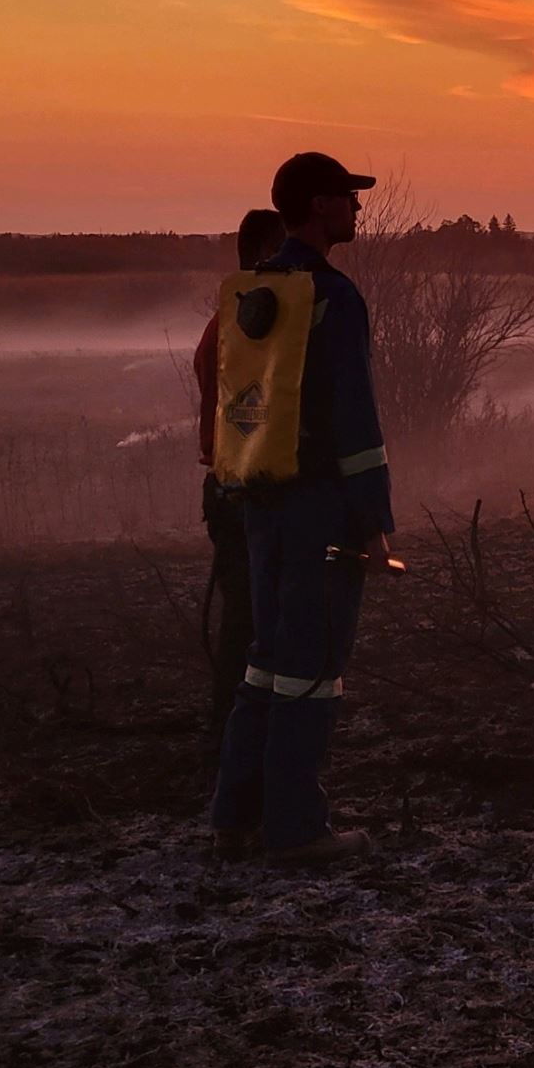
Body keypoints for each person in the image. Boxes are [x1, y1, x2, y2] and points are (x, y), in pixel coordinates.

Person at [210, 153, 394, 866]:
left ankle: (235, 816)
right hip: (321, 508)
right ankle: (295, 828)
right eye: (348, 198)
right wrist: (375, 518)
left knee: (264, 662)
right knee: (311, 666)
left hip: (262, 502)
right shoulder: (333, 297)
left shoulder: (260, 290)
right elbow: (355, 421)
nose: (357, 209)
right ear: (319, 206)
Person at [195, 206, 287, 737]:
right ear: (261, 255)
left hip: (231, 488)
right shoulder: (246, 328)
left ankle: (237, 739)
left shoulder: (227, 324)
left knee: (248, 622)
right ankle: (232, 742)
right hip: (242, 492)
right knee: (247, 627)